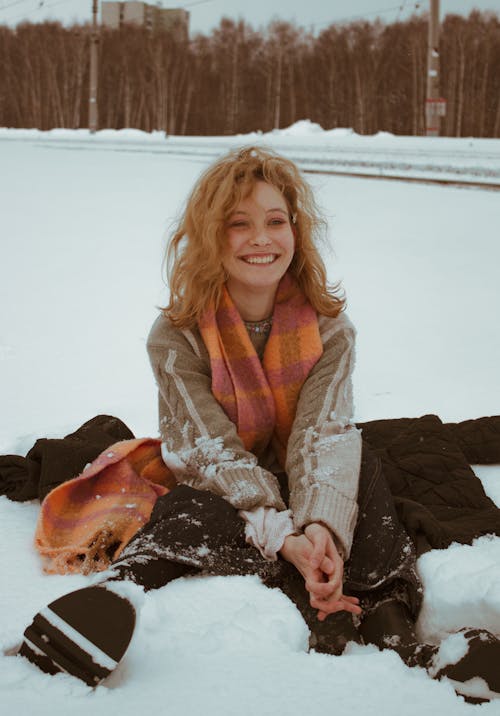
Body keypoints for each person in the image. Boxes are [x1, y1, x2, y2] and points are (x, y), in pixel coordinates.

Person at [19, 147, 500, 700]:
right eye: (238, 224)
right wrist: (282, 534)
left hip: (305, 469)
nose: (261, 238)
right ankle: (117, 595)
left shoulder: (329, 328)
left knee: (360, 464)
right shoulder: (175, 336)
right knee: (190, 507)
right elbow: (209, 450)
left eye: (275, 221)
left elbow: (323, 434)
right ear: (209, 236)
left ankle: (394, 627)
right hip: (223, 477)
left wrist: (322, 529)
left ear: (295, 231)